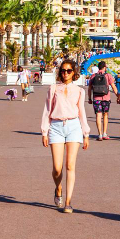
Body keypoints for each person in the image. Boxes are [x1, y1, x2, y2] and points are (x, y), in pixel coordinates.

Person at [40, 59, 89, 213]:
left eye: (69, 70)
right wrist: (44, 131)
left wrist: (86, 133)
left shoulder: (80, 90)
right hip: (56, 127)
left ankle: (68, 202)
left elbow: (82, 112)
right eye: (63, 70)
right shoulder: (53, 88)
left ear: (74, 72)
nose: (65, 73)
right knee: (57, 168)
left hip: (74, 126)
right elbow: (47, 110)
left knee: (70, 165)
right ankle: (58, 187)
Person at [87, 61, 117, 140]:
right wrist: (118, 96)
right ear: (104, 67)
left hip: (96, 98)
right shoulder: (108, 75)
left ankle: (99, 134)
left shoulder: (93, 76)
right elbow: (113, 86)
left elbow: (90, 88)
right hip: (106, 98)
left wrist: (89, 98)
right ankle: (104, 133)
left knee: (98, 115)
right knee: (105, 115)